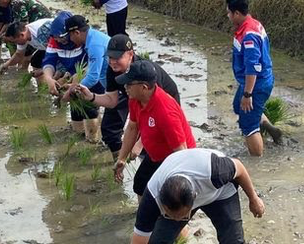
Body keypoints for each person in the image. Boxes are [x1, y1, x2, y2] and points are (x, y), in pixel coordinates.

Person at [77, 34, 180, 160]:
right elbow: (112, 100)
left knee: (153, 143)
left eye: (117, 57)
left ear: (130, 54)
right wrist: (91, 96)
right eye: (110, 57)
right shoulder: (113, 69)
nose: (112, 61)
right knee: (110, 129)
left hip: (164, 105)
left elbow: (156, 115)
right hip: (134, 97)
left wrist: (139, 144)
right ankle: (122, 161)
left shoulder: (145, 72)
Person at [131, 148, 265, 244]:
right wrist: (174, 217)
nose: (178, 220)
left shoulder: (215, 171)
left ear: (195, 198)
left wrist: (253, 199)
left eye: (183, 216)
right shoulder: (152, 197)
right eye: (170, 215)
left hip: (220, 192)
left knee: (233, 239)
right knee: (159, 240)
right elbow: (139, 239)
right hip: (182, 191)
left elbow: (240, 168)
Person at [114, 61, 196, 199]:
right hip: (155, 156)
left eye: (129, 84)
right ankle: (144, 218)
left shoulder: (165, 111)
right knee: (140, 184)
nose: (125, 87)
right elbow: (132, 127)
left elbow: (182, 152)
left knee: (169, 196)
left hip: (174, 159)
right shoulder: (135, 98)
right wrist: (122, 158)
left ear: (144, 87)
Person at [226, 0, 282, 157]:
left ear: (237, 13)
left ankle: (258, 161)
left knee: (248, 125)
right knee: (238, 106)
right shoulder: (252, 24)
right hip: (253, 81)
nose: (227, 16)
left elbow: (252, 68)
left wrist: (248, 94)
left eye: (229, 13)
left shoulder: (249, 35)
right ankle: (269, 127)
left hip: (256, 83)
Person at [63, 15, 109, 142]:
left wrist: (72, 91)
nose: (70, 39)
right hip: (108, 81)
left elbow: (93, 77)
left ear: (76, 32)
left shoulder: (94, 45)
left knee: (110, 127)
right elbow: (92, 68)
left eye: (70, 36)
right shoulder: (93, 37)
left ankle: (99, 146)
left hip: (115, 85)